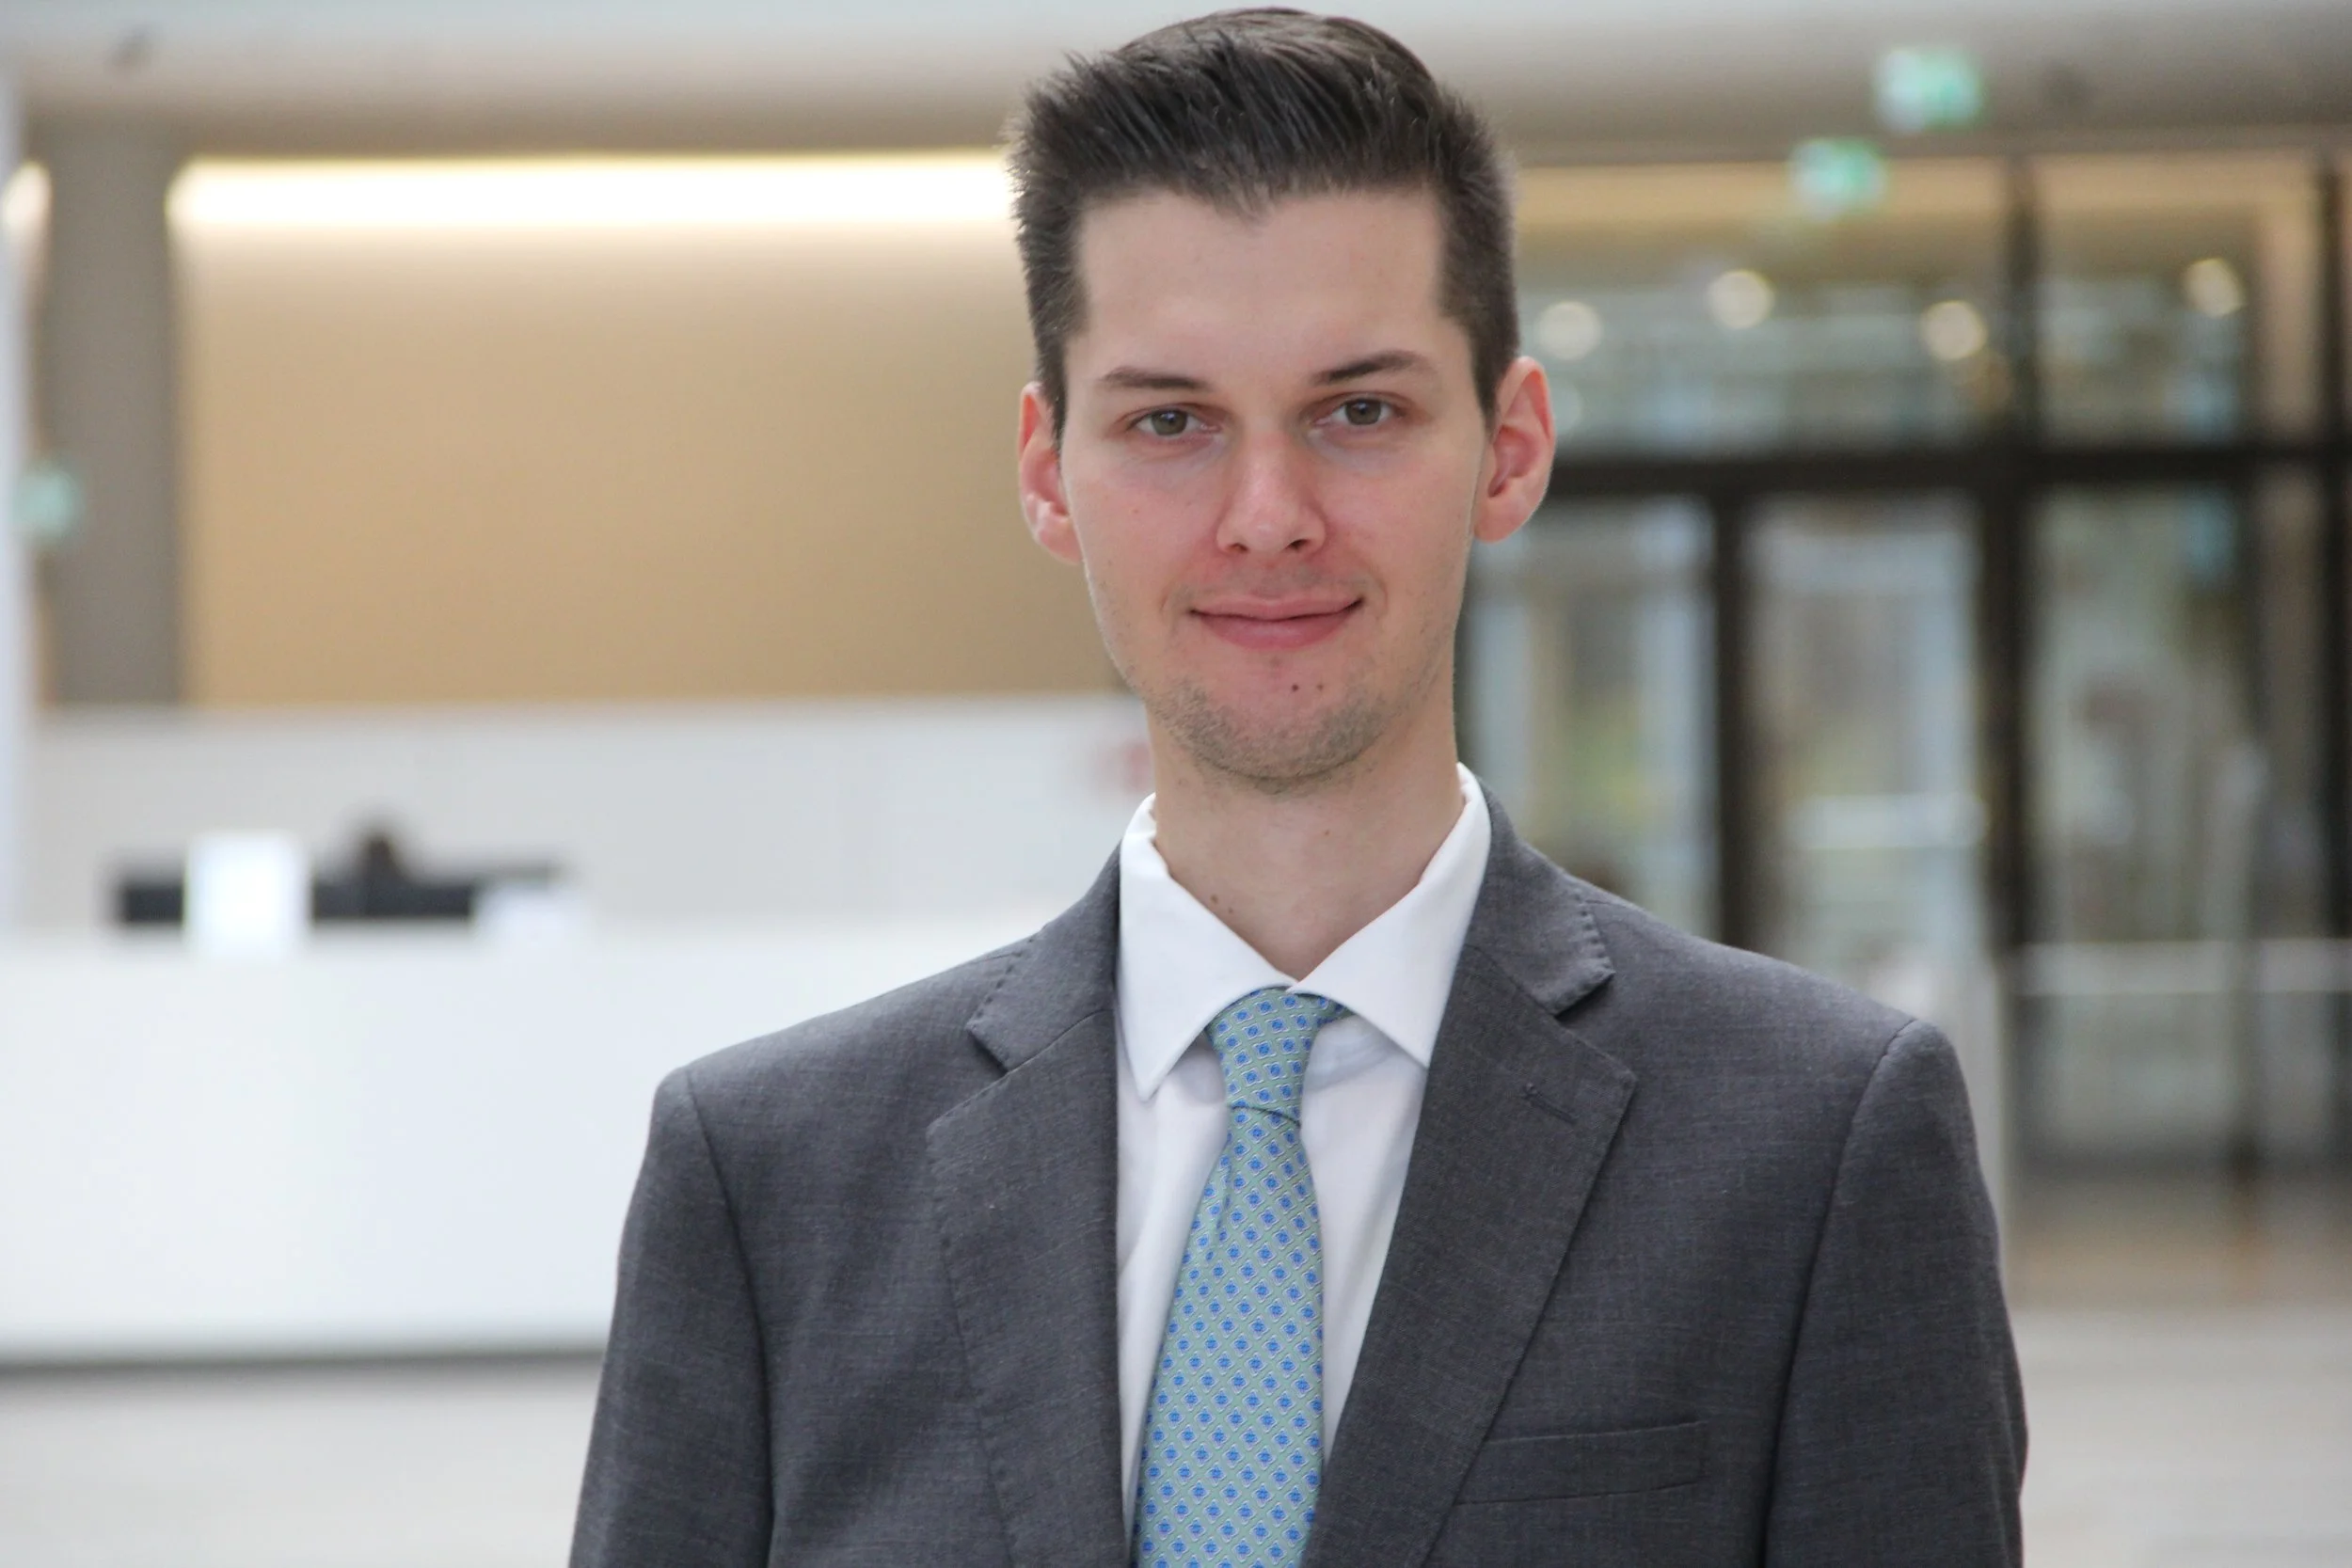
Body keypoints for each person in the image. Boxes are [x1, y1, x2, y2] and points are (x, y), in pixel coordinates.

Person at [570, 10, 2026, 1564]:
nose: (1267, 515)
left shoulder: (1814, 1146)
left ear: (1509, 449)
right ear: (1050, 474)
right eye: (1170, 420)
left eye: (1361, 411)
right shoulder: (770, 1178)